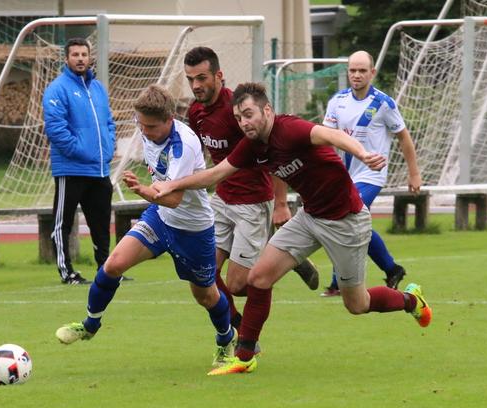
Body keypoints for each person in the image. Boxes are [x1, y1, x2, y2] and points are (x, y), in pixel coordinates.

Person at [153, 82, 432, 376]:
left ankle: (411, 300)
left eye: (249, 114)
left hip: (345, 221)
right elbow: (216, 173)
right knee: (259, 277)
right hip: (309, 218)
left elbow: (332, 135)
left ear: (267, 110)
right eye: (238, 118)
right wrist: (172, 184)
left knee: (357, 304)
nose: (244, 123)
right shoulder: (251, 145)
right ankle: (245, 356)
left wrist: (362, 154)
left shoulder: (291, 129)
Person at [55, 84, 237, 368]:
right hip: (160, 218)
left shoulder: (183, 145)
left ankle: (226, 340)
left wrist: (140, 189)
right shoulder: (149, 130)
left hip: (193, 228)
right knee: (114, 264)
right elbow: (164, 201)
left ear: (169, 119)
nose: (145, 132)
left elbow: (174, 198)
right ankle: (90, 325)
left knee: (205, 295)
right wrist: (147, 191)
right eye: (141, 124)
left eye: (151, 127)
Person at [183, 46, 319, 330]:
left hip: (252, 203)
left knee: (238, 285)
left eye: (202, 78)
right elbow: (196, 155)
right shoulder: (195, 112)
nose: (196, 85)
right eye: (191, 79)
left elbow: (276, 149)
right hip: (221, 200)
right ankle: (237, 327)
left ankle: (284, 261)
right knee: (203, 273)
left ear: (218, 75)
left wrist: (281, 203)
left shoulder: (238, 109)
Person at [320, 50, 422, 297]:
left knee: (344, 216)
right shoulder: (337, 101)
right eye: (353, 70)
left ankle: (338, 282)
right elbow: (324, 140)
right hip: (344, 176)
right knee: (349, 222)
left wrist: (414, 173)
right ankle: (391, 268)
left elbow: (404, 138)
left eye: (362, 70)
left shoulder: (383, 103)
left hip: (371, 175)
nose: (356, 75)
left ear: (372, 73)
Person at [43, 38, 116, 285]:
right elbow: (55, 127)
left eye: (84, 54)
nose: (81, 58)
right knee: (63, 222)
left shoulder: (98, 88)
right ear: (67, 59)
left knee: (101, 221)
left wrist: (107, 148)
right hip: (71, 168)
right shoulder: (57, 88)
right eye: (75, 54)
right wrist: (79, 150)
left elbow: (109, 122)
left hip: (99, 169)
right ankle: (67, 272)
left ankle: (106, 269)